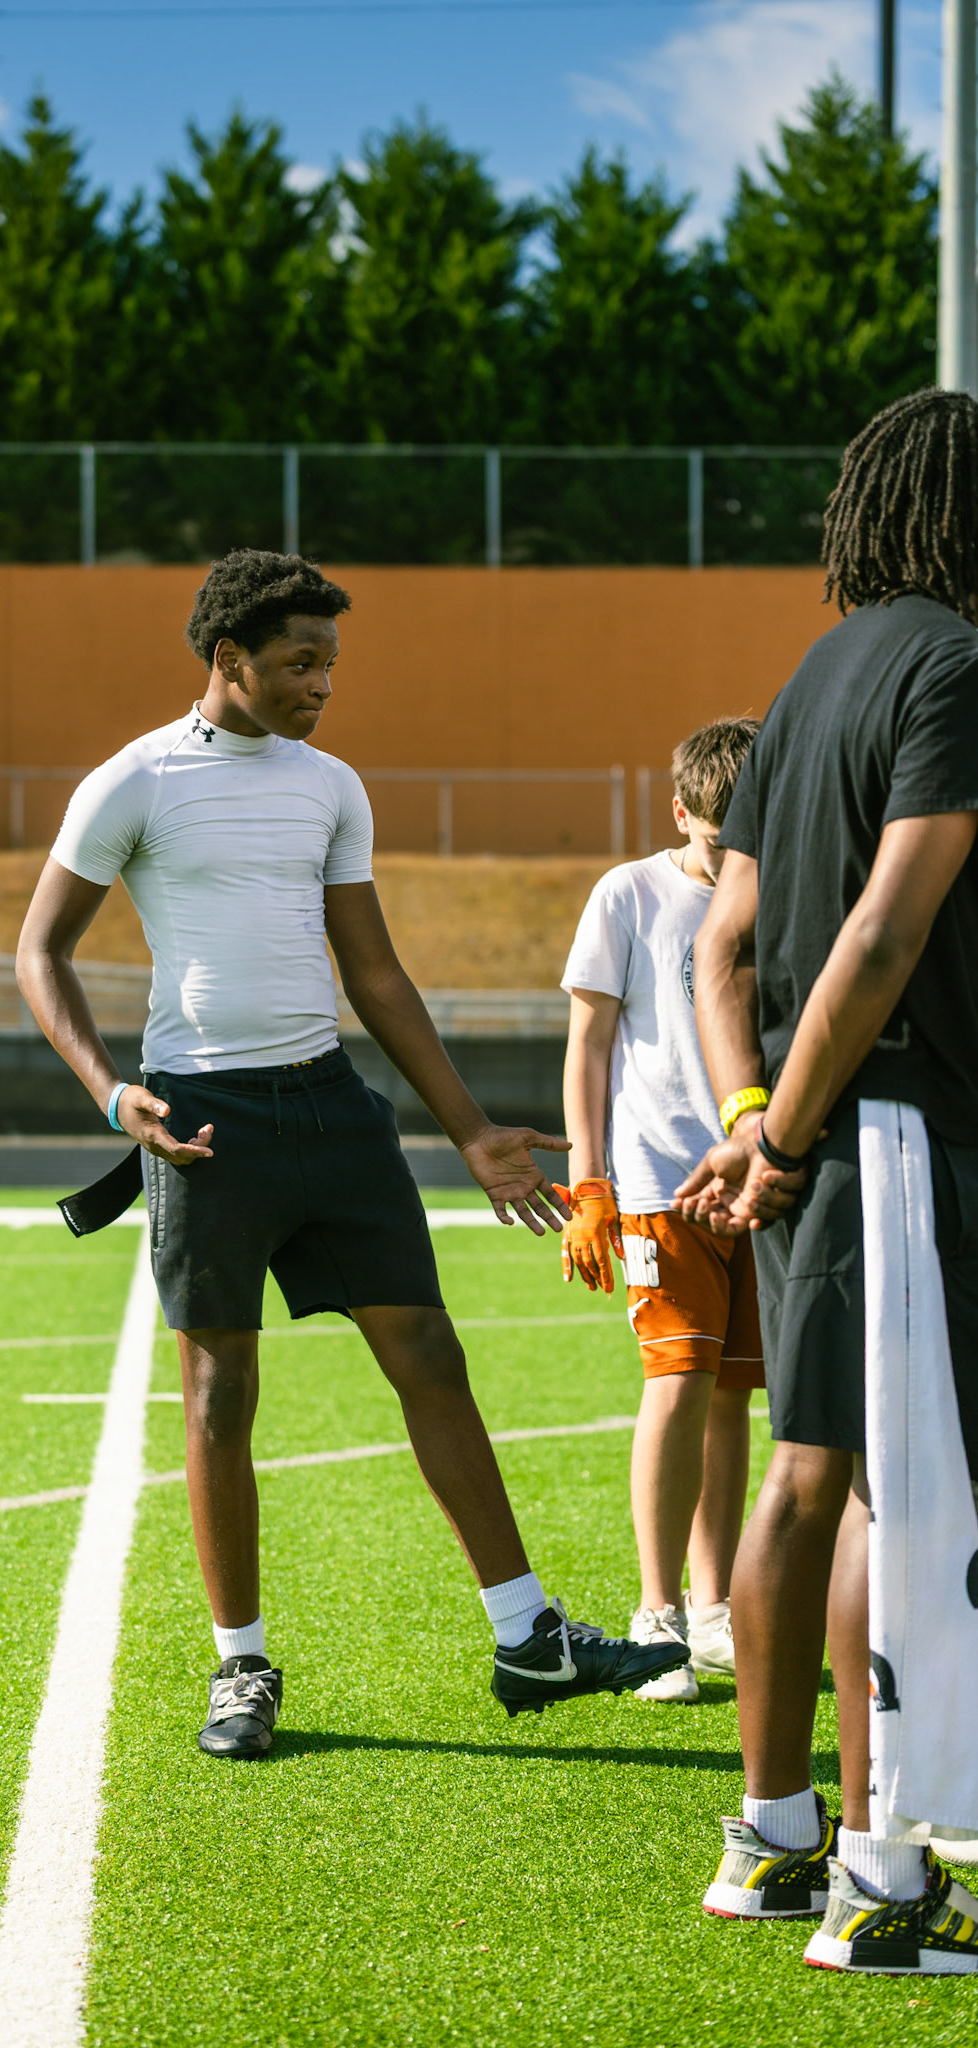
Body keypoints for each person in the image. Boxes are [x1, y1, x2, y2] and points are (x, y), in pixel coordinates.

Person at [17, 548, 689, 1759]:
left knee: (431, 1352)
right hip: (204, 1124)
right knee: (221, 1393)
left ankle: (528, 1634)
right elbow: (40, 951)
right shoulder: (134, 780)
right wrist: (112, 1093)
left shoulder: (330, 785)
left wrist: (469, 1126)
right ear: (229, 658)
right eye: (300, 661)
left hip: (333, 1105)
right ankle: (241, 1664)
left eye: (330, 662)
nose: (323, 683)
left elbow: (373, 972)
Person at [677, 390, 978, 1973]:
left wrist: (750, 1112)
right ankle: (884, 1885)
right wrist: (788, 1136)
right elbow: (886, 927)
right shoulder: (955, 666)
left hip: (811, 1134)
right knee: (890, 1494)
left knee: (808, 1473)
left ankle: (773, 1840)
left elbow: (721, 944)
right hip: (893, 1132)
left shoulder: (807, 681)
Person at [558, 717, 763, 1702]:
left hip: (758, 1182)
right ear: (680, 813)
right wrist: (590, 1182)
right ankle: (658, 1612)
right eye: (720, 837)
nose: (734, 854)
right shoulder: (627, 893)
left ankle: (715, 1612)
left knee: (733, 1396)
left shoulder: (782, 887)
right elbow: (588, 1045)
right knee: (678, 1383)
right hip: (659, 1185)